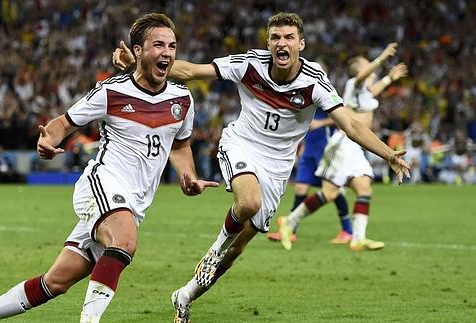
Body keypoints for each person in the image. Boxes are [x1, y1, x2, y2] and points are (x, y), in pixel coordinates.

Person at [114, 12, 410, 322]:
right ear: (268, 43)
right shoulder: (249, 64)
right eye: (276, 38)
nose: (282, 43)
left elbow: (350, 123)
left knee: (238, 248)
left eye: (289, 38)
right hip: (241, 144)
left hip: (278, 168)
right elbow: (189, 71)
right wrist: (140, 65)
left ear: (301, 44)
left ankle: (185, 295)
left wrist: (387, 154)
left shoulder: (314, 82)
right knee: (248, 202)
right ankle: (212, 252)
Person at [0, 13, 218, 323]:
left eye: (172, 46)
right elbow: (63, 123)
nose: (167, 53)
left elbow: (180, 145)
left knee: (55, 282)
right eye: (157, 44)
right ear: (137, 51)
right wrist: (47, 140)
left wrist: (188, 174)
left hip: (133, 203)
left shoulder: (182, 100)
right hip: (101, 186)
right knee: (124, 242)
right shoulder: (111, 92)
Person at [275, 42, 409, 251]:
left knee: (364, 188)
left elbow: (373, 89)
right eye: (366, 64)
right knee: (329, 193)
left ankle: (358, 238)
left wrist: (390, 78)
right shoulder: (353, 84)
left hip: (356, 148)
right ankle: (289, 222)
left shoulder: (363, 92)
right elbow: (364, 78)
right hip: (344, 144)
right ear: (359, 70)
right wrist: (382, 58)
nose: (370, 68)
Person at [266, 106, 353, 245]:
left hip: (325, 150)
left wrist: (321, 123)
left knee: (332, 191)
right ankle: (290, 230)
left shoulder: (324, 94)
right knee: (300, 189)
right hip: (309, 152)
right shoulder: (304, 96)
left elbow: (344, 117)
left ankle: (348, 231)